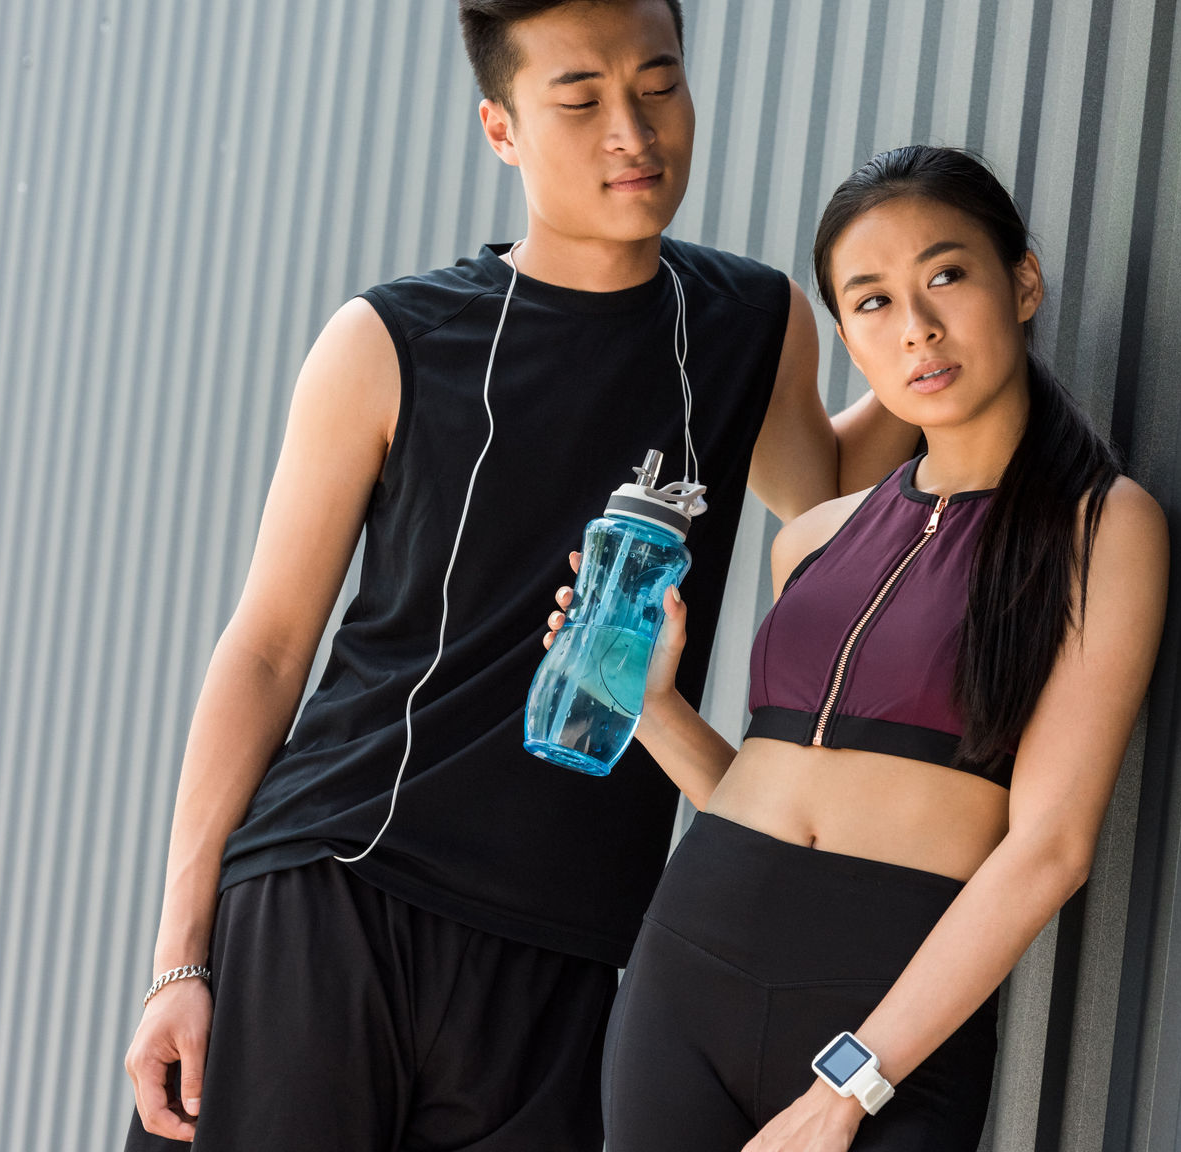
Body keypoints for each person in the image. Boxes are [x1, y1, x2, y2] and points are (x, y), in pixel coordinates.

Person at [121, 2, 917, 1148]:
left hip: (569, 950)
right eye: (580, 99)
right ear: (500, 127)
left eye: (657, 84)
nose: (631, 132)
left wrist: (941, 338)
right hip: (345, 887)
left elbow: (823, 484)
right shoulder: (391, 341)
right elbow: (265, 649)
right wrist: (179, 958)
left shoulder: (747, 319)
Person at [543, 145, 1170, 1151]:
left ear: (1021, 282)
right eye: (872, 302)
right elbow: (765, 796)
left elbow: (1049, 848)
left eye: (945, 275)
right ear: (849, 339)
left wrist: (850, 1085)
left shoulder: (1098, 529)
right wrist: (652, 706)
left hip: (888, 1025)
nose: (915, 325)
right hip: (685, 976)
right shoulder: (817, 538)